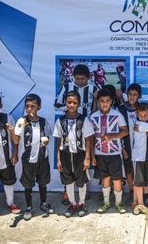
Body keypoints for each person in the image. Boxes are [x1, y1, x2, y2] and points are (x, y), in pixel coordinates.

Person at [54, 64, 95, 205]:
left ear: (88, 78)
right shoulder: (67, 87)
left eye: (83, 79)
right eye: (77, 79)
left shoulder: (94, 88)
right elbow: (56, 104)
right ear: (73, 77)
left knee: (83, 160)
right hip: (70, 124)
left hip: (87, 127)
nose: (80, 81)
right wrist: (71, 106)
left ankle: (84, 192)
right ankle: (67, 192)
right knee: (67, 160)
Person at [14, 94, 54, 221]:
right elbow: (16, 139)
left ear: (39, 107)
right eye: (27, 106)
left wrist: (46, 141)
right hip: (28, 160)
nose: (30, 109)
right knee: (28, 184)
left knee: (43, 182)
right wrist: (11, 131)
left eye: (33, 106)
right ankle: (29, 207)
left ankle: (43, 203)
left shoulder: (43, 122)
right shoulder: (22, 121)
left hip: (42, 158)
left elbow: (48, 137)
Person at [91, 88, 129, 214]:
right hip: (100, 153)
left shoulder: (117, 115)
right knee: (105, 179)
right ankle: (106, 203)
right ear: (98, 101)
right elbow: (90, 138)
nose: (105, 103)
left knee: (117, 179)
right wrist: (92, 155)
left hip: (114, 154)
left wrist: (111, 137)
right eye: (102, 101)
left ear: (112, 101)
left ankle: (119, 203)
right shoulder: (93, 117)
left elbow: (125, 131)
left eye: (107, 101)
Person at [118, 83, 141, 203]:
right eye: (130, 94)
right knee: (128, 169)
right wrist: (122, 148)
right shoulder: (121, 109)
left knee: (138, 170)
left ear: (139, 96)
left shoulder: (142, 108)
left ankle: (139, 193)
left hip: (139, 146)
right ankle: (132, 191)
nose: (132, 97)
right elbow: (118, 130)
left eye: (135, 95)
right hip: (126, 145)